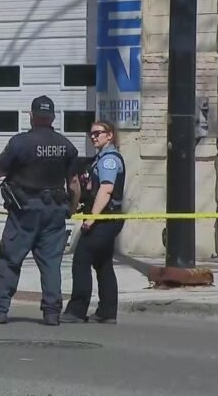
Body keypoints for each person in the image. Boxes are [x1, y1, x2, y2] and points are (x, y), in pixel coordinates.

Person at [0, 95, 81, 326]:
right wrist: (72, 208)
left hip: (24, 211)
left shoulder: (20, 143)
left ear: (31, 115)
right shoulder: (66, 145)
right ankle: (52, 313)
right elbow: (74, 183)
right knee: (51, 264)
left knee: (10, 259)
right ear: (53, 117)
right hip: (54, 210)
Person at [60, 120, 125, 324]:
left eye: (98, 133)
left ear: (110, 135)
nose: (94, 137)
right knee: (103, 263)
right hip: (106, 218)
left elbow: (106, 189)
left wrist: (92, 217)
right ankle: (107, 312)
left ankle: (77, 310)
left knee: (81, 260)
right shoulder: (100, 158)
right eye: (92, 134)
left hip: (104, 219)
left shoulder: (109, 160)